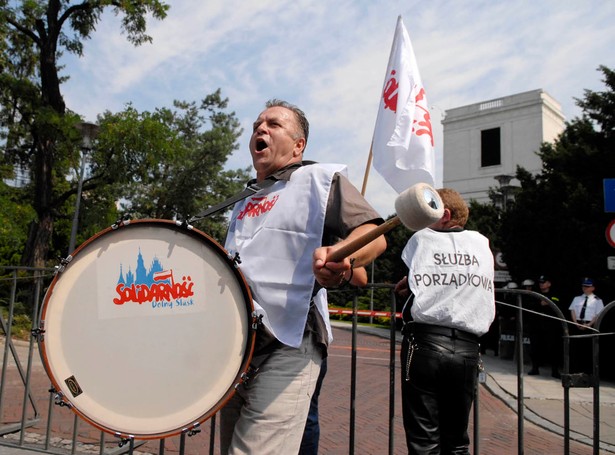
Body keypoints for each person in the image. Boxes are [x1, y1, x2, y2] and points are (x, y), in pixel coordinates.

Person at [220, 99, 386, 454]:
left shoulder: (319, 179)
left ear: (299, 146)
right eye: (257, 125)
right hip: (238, 349)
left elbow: (374, 233)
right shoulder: (243, 200)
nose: (261, 129)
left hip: (289, 342)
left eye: (274, 124)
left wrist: (345, 258)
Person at [394, 188, 495, 455]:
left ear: (445, 215)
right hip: (467, 348)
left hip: (425, 344)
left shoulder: (422, 239)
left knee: (424, 439)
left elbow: (413, 286)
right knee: (457, 439)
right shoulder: (482, 244)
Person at [299, 266, 368, 455]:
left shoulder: (318, 239)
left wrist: (332, 263)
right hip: (262, 335)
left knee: (305, 415)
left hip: (307, 335)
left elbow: (360, 277)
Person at [568, 277, 604, 374]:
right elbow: (573, 311)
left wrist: (589, 324)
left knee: (588, 349)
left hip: (590, 325)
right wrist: (575, 322)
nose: (585, 288)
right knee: (575, 348)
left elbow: (598, 314)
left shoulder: (597, 300)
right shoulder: (577, 298)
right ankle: (574, 370)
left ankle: (587, 372)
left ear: (593, 288)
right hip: (577, 323)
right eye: (584, 286)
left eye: (588, 286)